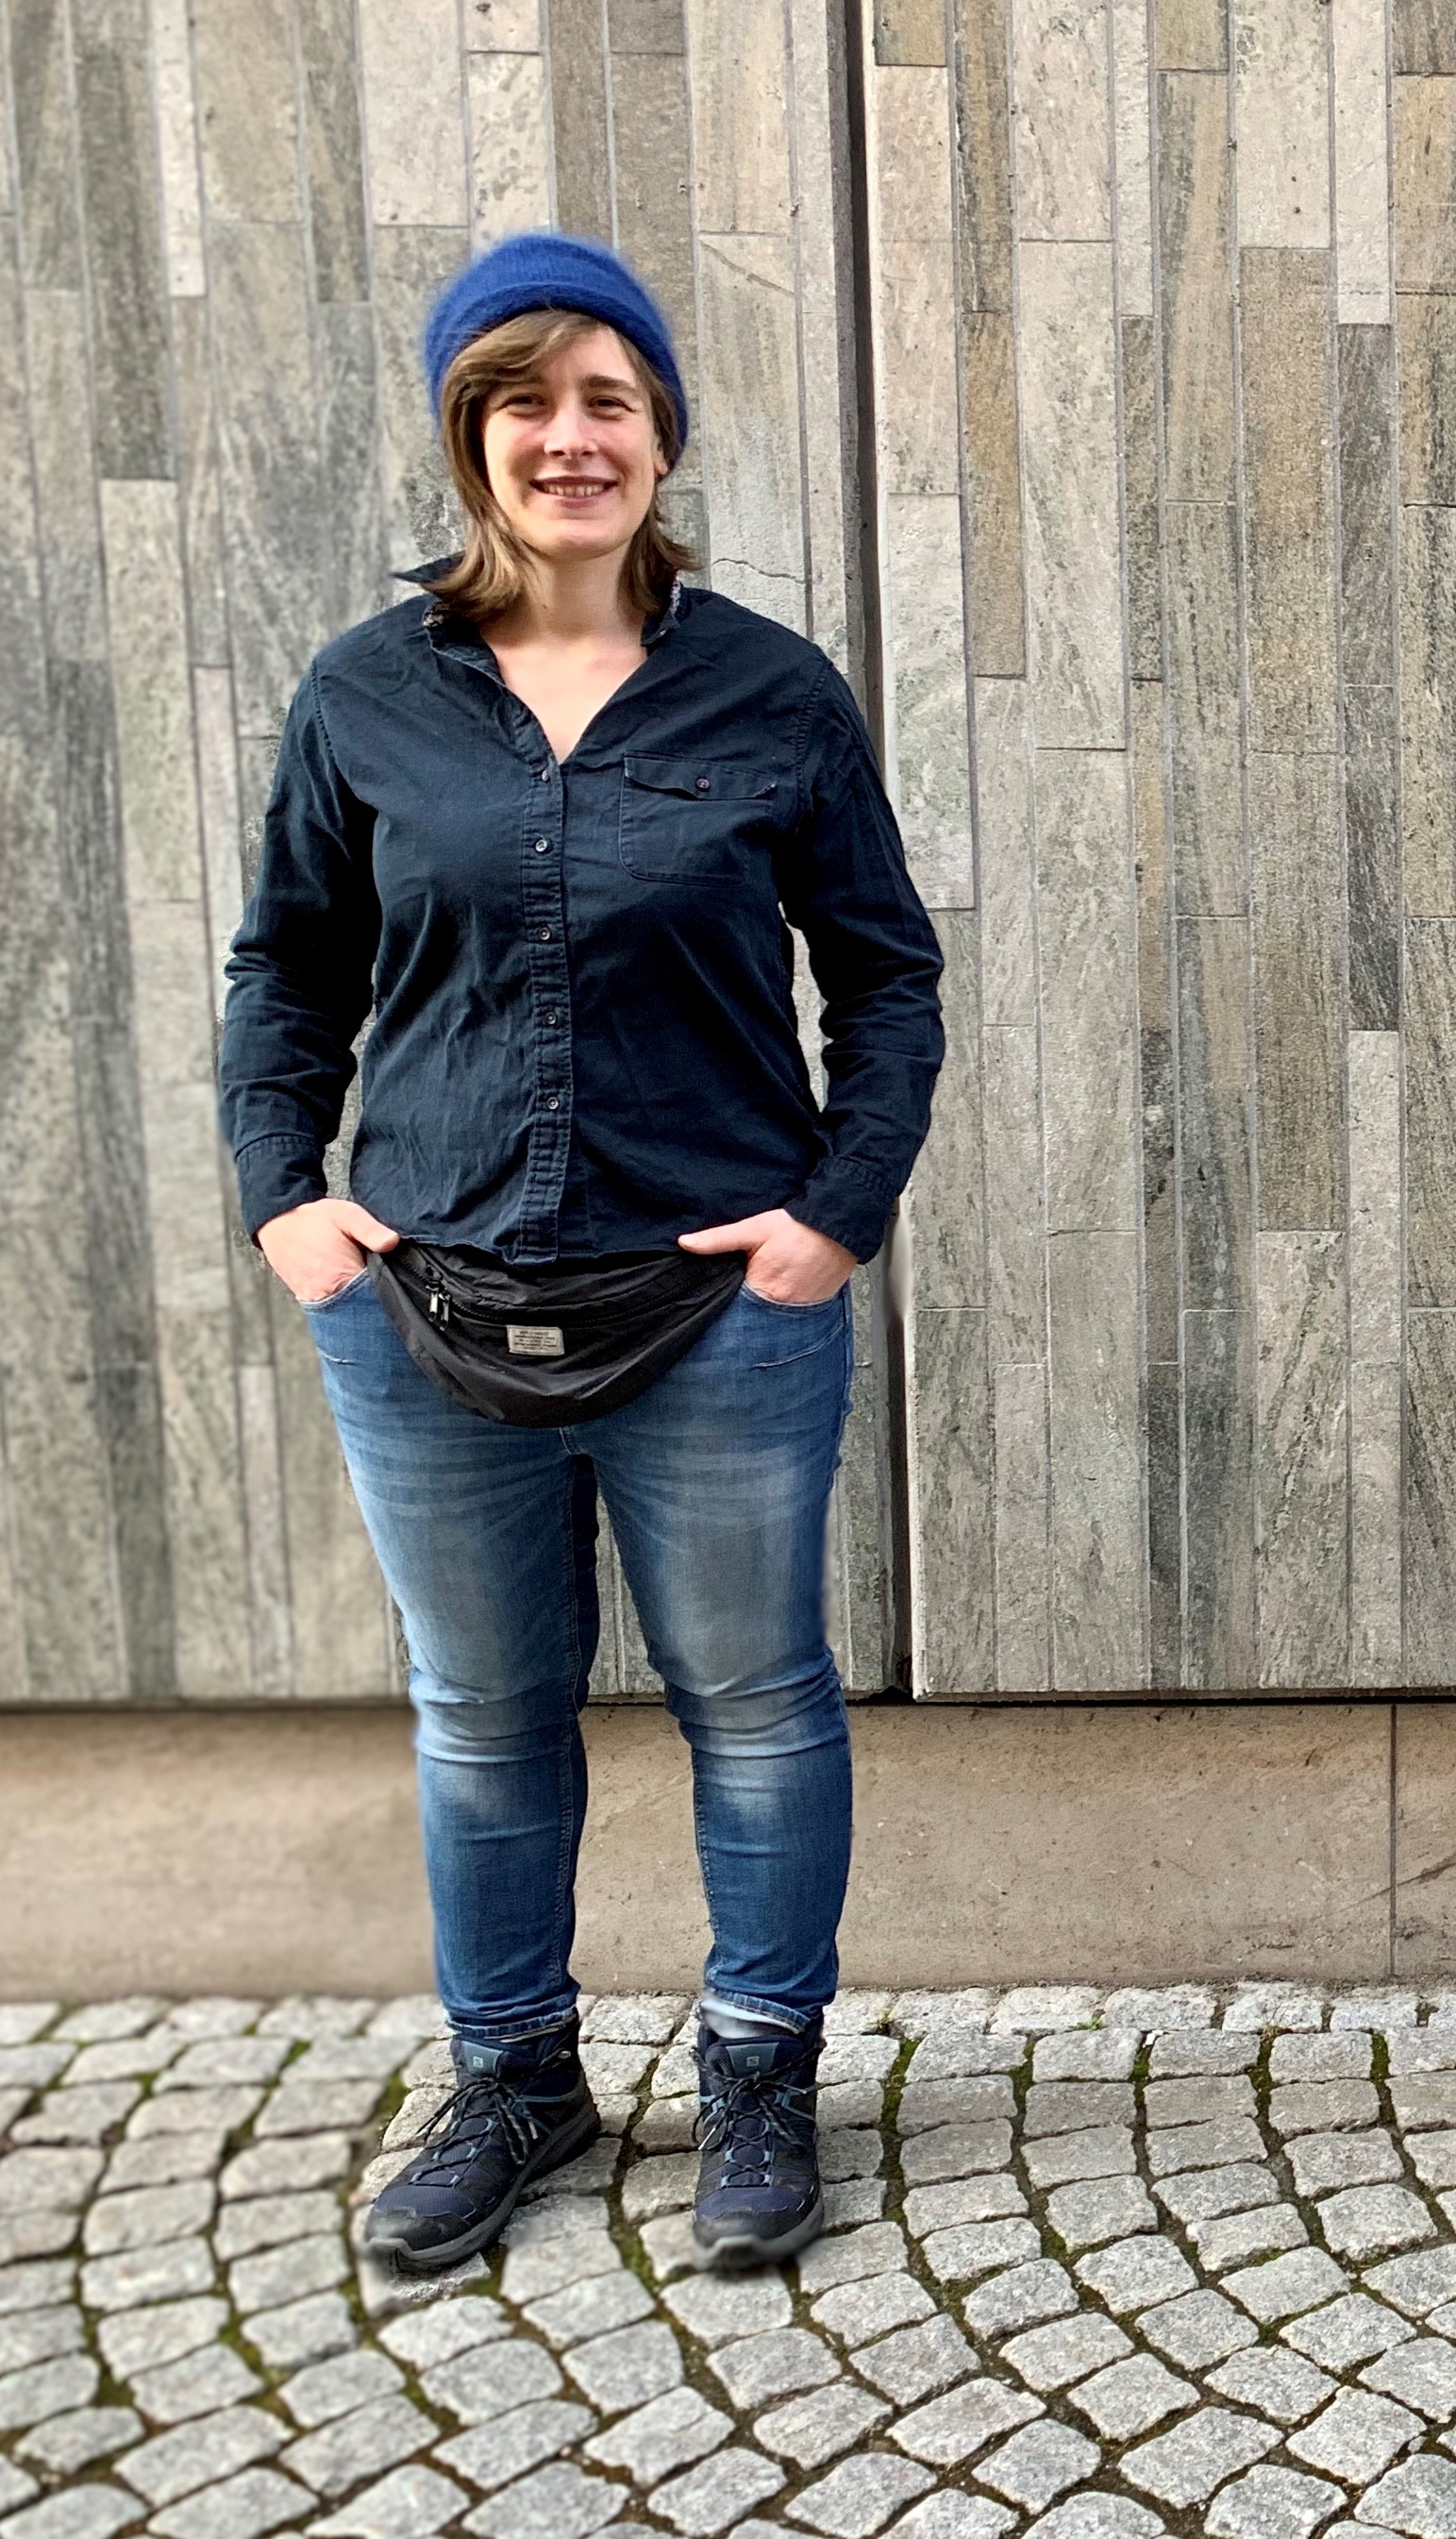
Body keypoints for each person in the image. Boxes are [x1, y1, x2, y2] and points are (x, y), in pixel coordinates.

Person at [219, 234, 946, 2274]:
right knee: (482, 1714)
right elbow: (285, 972)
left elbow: (887, 977)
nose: (569, 438)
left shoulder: (771, 695)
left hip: (719, 1313)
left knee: (757, 1700)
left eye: (608, 400)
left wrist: (833, 1214)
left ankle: (758, 2072)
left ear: (660, 437)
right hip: (424, 1307)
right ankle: (516, 2080)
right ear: (470, 438)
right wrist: (288, 1199)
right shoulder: (366, 695)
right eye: (524, 401)